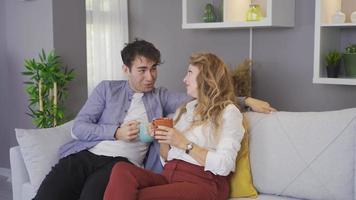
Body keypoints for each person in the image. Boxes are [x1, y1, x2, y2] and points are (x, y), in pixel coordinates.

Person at [34, 39, 275, 200]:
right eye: (142, 70)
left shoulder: (163, 97)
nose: (150, 77)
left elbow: (212, 98)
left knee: (101, 188)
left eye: (154, 69)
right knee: (50, 192)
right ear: (126, 69)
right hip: (88, 155)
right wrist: (116, 132)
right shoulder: (107, 90)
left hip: (124, 162)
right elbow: (79, 128)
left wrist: (245, 100)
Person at [103, 52, 249, 200]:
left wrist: (185, 144)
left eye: (190, 73)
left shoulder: (228, 112)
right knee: (122, 170)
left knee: (136, 196)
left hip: (204, 183)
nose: (184, 79)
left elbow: (224, 165)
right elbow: (166, 158)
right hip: (169, 177)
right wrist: (164, 139)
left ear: (206, 78)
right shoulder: (185, 110)